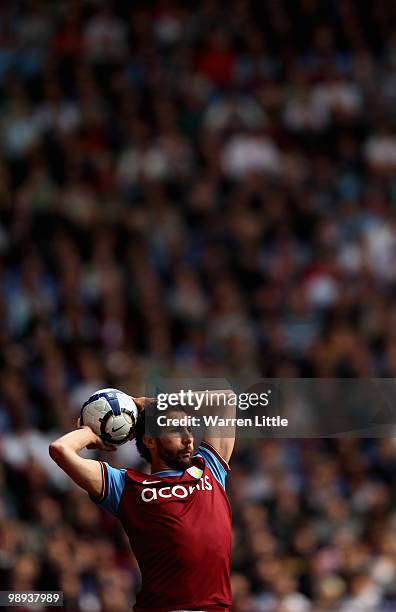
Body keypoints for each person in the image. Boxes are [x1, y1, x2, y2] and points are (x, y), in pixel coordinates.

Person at [49, 390, 236, 612]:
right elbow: (60, 449)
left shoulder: (209, 467)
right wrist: (93, 434)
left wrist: (147, 403)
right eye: (175, 430)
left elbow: (226, 398)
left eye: (188, 428)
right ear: (150, 440)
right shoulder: (126, 486)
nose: (188, 438)